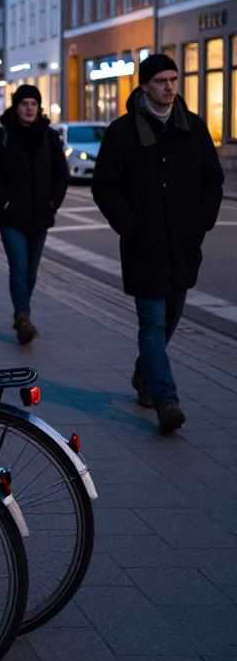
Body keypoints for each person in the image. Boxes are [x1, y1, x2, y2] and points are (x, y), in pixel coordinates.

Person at [92, 53, 223, 434]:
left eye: (173, 80)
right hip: (142, 246)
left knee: (169, 320)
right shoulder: (122, 132)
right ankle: (166, 400)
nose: (169, 86)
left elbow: (213, 181)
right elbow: (105, 186)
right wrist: (130, 227)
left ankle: (143, 373)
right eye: (161, 80)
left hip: (183, 245)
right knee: (151, 322)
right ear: (145, 85)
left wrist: (202, 220)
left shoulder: (193, 129)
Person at [0, 85, 69, 345]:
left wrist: (53, 202)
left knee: (31, 272)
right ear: (16, 106)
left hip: (41, 214)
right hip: (11, 217)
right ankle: (23, 316)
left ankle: (22, 312)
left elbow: (60, 173)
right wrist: (5, 200)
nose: (29, 108)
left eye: (33, 103)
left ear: (38, 107)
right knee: (19, 267)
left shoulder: (50, 137)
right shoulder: (1, 136)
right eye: (24, 103)